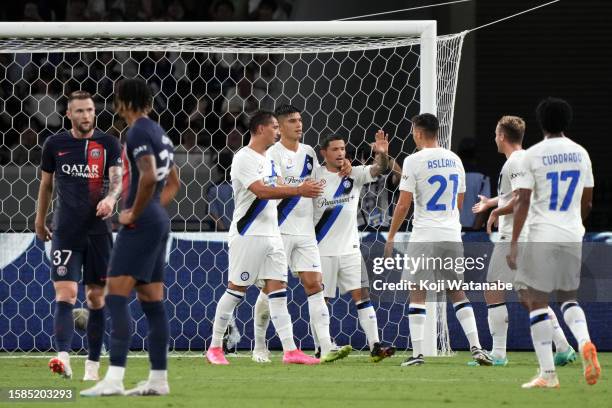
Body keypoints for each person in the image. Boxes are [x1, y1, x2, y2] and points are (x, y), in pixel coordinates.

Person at [81, 78, 180, 396]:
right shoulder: (160, 133)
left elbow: (149, 176)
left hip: (141, 224)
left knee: (114, 296)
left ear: (121, 102)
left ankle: (113, 379)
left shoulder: (137, 131)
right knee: (152, 303)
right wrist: (152, 210)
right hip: (158, 221)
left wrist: (135, 213)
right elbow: (175, 181)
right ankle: (158, 380)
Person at [206, 110, 322, 366]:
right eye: (274, 127)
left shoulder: (270, 158)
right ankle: (214, 347)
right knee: (236, 290)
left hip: (272, 234)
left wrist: (308, 185)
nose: (278, 131)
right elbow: (261, 190)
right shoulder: (243, 158)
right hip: (249, 233)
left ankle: (290, 351)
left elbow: (279, 185)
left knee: (278, 291)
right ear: (260, 129)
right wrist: (299, 190)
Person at [507, 97, 600, 388]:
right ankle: (584, 341)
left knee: (536, 302)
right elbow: (588, 200)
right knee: (569, 298)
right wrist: (576, 223)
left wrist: (513, 244)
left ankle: (548, 374)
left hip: (542, 234)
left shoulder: (533, 155)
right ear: (566, 122)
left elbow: (522, 201)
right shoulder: (581, 153)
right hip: (572, 233)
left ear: (541, 123)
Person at [385, 113, 491, 367]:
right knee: (457, 292)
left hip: (425, 234)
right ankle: (476, 348)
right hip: (451, 234)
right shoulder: (454, 159)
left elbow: (403, 205)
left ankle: (418, 354)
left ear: (419, 133)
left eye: (413, 131)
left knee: (418, 293)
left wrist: (390, 237)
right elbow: (460, 200)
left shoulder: (413, 160)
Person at [471, 116, 576, 367]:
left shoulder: (516, 160)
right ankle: (563, 347)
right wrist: (491, 202)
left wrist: (496, 212)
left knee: (493, 291)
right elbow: (513, 194)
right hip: (531, 235)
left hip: (515, 236)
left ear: (502, 136)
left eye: (496, 134)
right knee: (528, 297)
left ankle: (498, 353)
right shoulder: (525, 159)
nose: (494, 138)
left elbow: (519, 199)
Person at [251, 104, 352, 363]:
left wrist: (341, 165)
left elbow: (318, 179)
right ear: (281, 126)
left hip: (306, 231)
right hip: (280, 229)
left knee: (315, 285)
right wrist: (300, 187)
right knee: (271, 289)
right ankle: (259, 345)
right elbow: (273, 186)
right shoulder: (272, 153)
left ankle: (327, 346)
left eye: (300, 120)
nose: (299, 124)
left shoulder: (308, 152)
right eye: (293, 121)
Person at [36, 90, 122, 381]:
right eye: (80, 111)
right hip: (66, 231)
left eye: (90, 110)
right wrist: (39, 219)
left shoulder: (108, 142)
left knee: (96, 299)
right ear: (69, 114)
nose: (86, 116)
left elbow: (118, 181)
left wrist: (110, 199)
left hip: (98, 232)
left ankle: (92, 366)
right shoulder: (55, 144)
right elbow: (46, 185)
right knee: (66, 293)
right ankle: (62, 357)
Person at [312, 132, 396, 362]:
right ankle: (322, 346)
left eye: (343, 149)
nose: (340, 153)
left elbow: (380, 169)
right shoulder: (314, 176)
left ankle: (375, 346)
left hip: (350, 249)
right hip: (321, 250)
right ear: (324, 153)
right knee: (321, 301)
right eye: (335, 149)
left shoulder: (354, 174)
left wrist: (382, 153)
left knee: (363, 296)